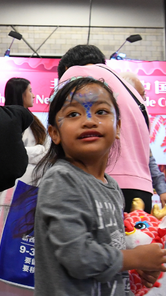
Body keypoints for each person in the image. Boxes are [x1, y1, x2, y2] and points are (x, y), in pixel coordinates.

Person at [32, 77, 166, 295]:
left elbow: (110, 246)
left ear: (117, 128)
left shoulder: (112, 187)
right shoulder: (61, 179)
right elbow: (78, 257)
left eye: (101, 112)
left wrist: (136, 267)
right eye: (73, 114)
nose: (88, 121)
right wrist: (134, 258)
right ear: (55, 133)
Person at [58, 45, 153, 212]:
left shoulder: (75, 73)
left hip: (100, 185)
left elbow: (62, 124)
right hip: (142, 190)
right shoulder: (131, 90)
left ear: (66, 68)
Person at [120, 72, 166, 207]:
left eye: (144, 95)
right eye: (141, 95)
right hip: (115, 189)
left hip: (141, 189)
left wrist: (162, 189)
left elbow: (148, 158)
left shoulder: (141, 119)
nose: (143, 100)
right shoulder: (111, 119)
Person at [3, 78, 49, 185]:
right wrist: (39, 149)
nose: (33, 96)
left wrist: (27, 154)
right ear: (20, 93)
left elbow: (47, 154)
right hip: (13, 187)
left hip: (35, 186)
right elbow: (11, 154)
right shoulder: (6, 121)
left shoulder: (35, 122)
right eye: (30, 91)